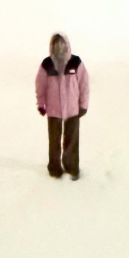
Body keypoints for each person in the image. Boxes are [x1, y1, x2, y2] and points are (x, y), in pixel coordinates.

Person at [35, 32, 89, 180]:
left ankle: (71, 167)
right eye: (56, 44)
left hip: (73, 110)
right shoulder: (47, 64)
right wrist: (41, 103)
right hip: (53, 111)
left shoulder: (75, 62)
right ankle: (54, 168)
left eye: (61, 44)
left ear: (67, 45)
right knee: (54, 141)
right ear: (52, 46)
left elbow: (84, 84)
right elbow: (40, 85)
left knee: (72, 140)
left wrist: (83, 105)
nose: (59, 47)